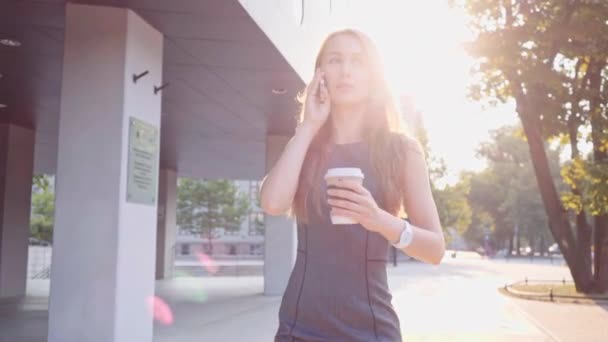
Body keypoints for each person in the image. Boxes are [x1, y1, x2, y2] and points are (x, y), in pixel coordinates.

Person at [260, 28, 445, 342]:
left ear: (374, 75)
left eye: (357, 61)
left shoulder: (402, 151)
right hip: (299, 327)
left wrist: (379, 220)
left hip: (370, 328)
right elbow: (272, 203)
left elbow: (435, 249)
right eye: (335, 60)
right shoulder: (305, 146)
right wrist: (308, 125)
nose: (346, 70)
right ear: (320, 74)